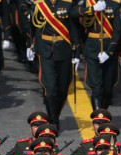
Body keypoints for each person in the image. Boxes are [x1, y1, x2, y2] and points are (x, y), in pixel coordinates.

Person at [29, 0, 80, 129]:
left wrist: (77, 53)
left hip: (64, 49)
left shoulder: (68, 3)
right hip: (45, 49)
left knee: (63, 88)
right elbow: (32, 26)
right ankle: (53, 121)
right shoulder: (39, 4)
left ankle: (55, 115)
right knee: (50, 87)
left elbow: (74, 28)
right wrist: (29, 45)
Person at [73, 0, 121, 109]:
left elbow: (118, 30)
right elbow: (73, 13)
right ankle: (98, 118)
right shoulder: (87, 3)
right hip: (92, 48)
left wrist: (110, 51)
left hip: (109, 48)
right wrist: (92, 9)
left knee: (107, 89)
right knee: (96, 88)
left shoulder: (114, 5)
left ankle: (103, 112)